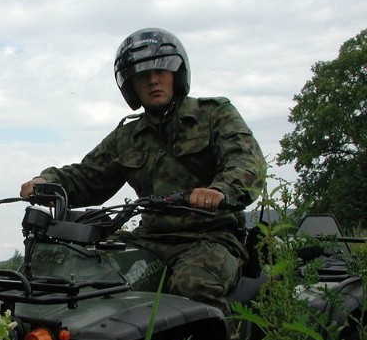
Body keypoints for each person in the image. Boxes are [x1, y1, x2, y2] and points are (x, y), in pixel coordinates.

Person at [20, 28, 266, 315]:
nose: (152, 80)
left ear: (177, 73)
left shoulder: (214, 114)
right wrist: (47, 181)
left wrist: (220, 191)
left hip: (211, 238)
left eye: (161, 69)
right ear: (130, 86)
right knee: (88, 270)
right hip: (150, 238)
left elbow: (246, 162)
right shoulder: (128, 136)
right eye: (141, 74)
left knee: (193, 286)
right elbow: (88, 176)